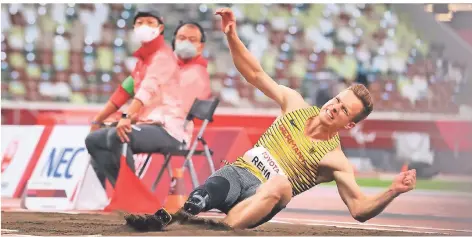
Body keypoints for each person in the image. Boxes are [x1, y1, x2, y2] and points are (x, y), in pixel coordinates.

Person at [124, 8, 417, 231]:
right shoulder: (294, 104)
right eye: (336, 100)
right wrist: (231, 35)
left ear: (349, 124)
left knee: (280, 184)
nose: (333, 107)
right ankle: (163, 220)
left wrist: (392, 191)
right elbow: (254, 74)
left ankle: (219, 232)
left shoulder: (335, 159)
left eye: (342, 110)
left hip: (262, 197)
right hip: (238, 174)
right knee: (197, 201)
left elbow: (358, 209)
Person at [85, 8, 189, 189]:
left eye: (150, 22)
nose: (144, 27)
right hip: (147, 125)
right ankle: (120, 192)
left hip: (169, 129)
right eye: (140, 23)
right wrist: (98, 120)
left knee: (117, 136)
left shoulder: (163, 58)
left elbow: (146, 90)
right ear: (133, 28)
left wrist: (125, 118)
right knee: (93, 139)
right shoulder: (142, 61)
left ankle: (132, 193)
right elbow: (122, 93)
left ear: (161, 28)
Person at [172, 21, 212, 112]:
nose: (186, 43)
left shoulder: (199, 74)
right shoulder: (166, 62)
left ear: (201, 47)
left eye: (192, 40)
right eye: (181, 38)